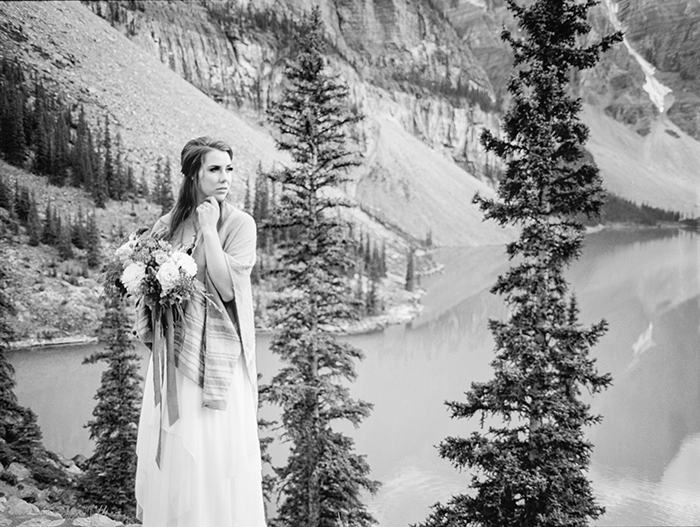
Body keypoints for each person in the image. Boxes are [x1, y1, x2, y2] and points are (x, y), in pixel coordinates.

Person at [134, 137, 266, 527]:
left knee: (213, 453)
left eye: (228, 168)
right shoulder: (167, 224)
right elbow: (148, 286)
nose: (225, 177)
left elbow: (228, 289)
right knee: (178, 449)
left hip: (219, 362)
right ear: (193, 174)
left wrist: (210, 230)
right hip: (175, 354)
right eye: (214, 169)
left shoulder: (240, 224)